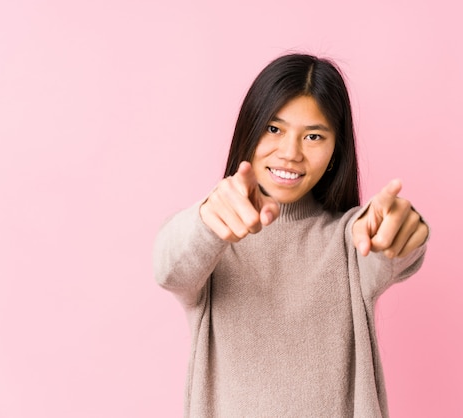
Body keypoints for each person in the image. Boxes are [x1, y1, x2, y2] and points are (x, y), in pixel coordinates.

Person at [153, 53, 429, 417]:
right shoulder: (213, 238)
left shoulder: (349, 239)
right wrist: (207, 221)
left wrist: (400, 231)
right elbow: (169, 266)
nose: (290, 153)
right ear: (248, 131)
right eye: (273, 129)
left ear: (335, 152)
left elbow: (389, 252)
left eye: (313, 136)